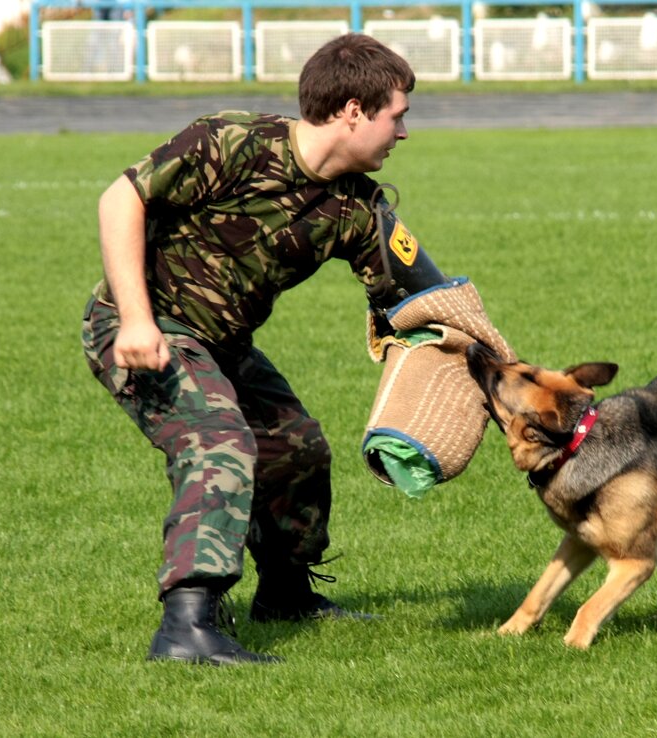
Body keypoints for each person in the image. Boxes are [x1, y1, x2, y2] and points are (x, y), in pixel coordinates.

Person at [81, 34, 427, 665]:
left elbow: (416, 299)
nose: (403, 131)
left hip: (222, 342)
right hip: (142, 326)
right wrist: (136, 320)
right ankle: (187, 625)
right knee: (217, 442)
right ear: (353, 110)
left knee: (297, 447)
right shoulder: (234, 141)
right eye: (396, 115)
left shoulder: (356, 205)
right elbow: (121, 198)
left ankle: (286, 594)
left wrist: (482, 363)